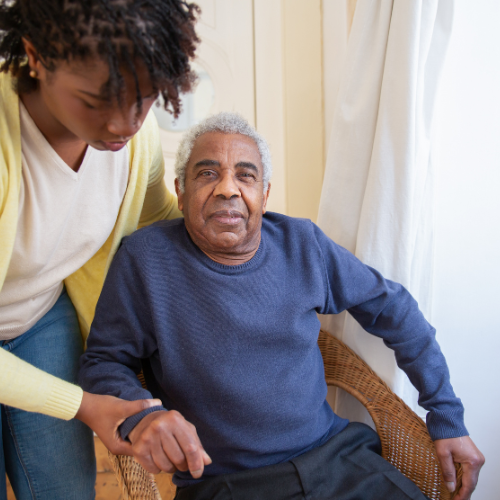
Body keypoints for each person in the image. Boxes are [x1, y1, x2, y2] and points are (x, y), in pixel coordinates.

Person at [79, 113, 485, 500]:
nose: (227, 189)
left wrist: (445, 414)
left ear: (264, 194)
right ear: (181, 193)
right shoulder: (145, 259)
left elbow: (394, 310)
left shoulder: (302, 243)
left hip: (338, 461)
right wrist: (142, 416)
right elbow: (102, 362)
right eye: (206, 174)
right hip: (226, 483)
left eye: (245, 175)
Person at [0, 1, 200, 499]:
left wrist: (244, 242)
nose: (124, 124)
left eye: (145, 99)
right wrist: (82, 403)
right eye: (96, 102)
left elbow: (157, 218)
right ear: (35, 56)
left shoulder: (134, 140)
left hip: (38, 318)